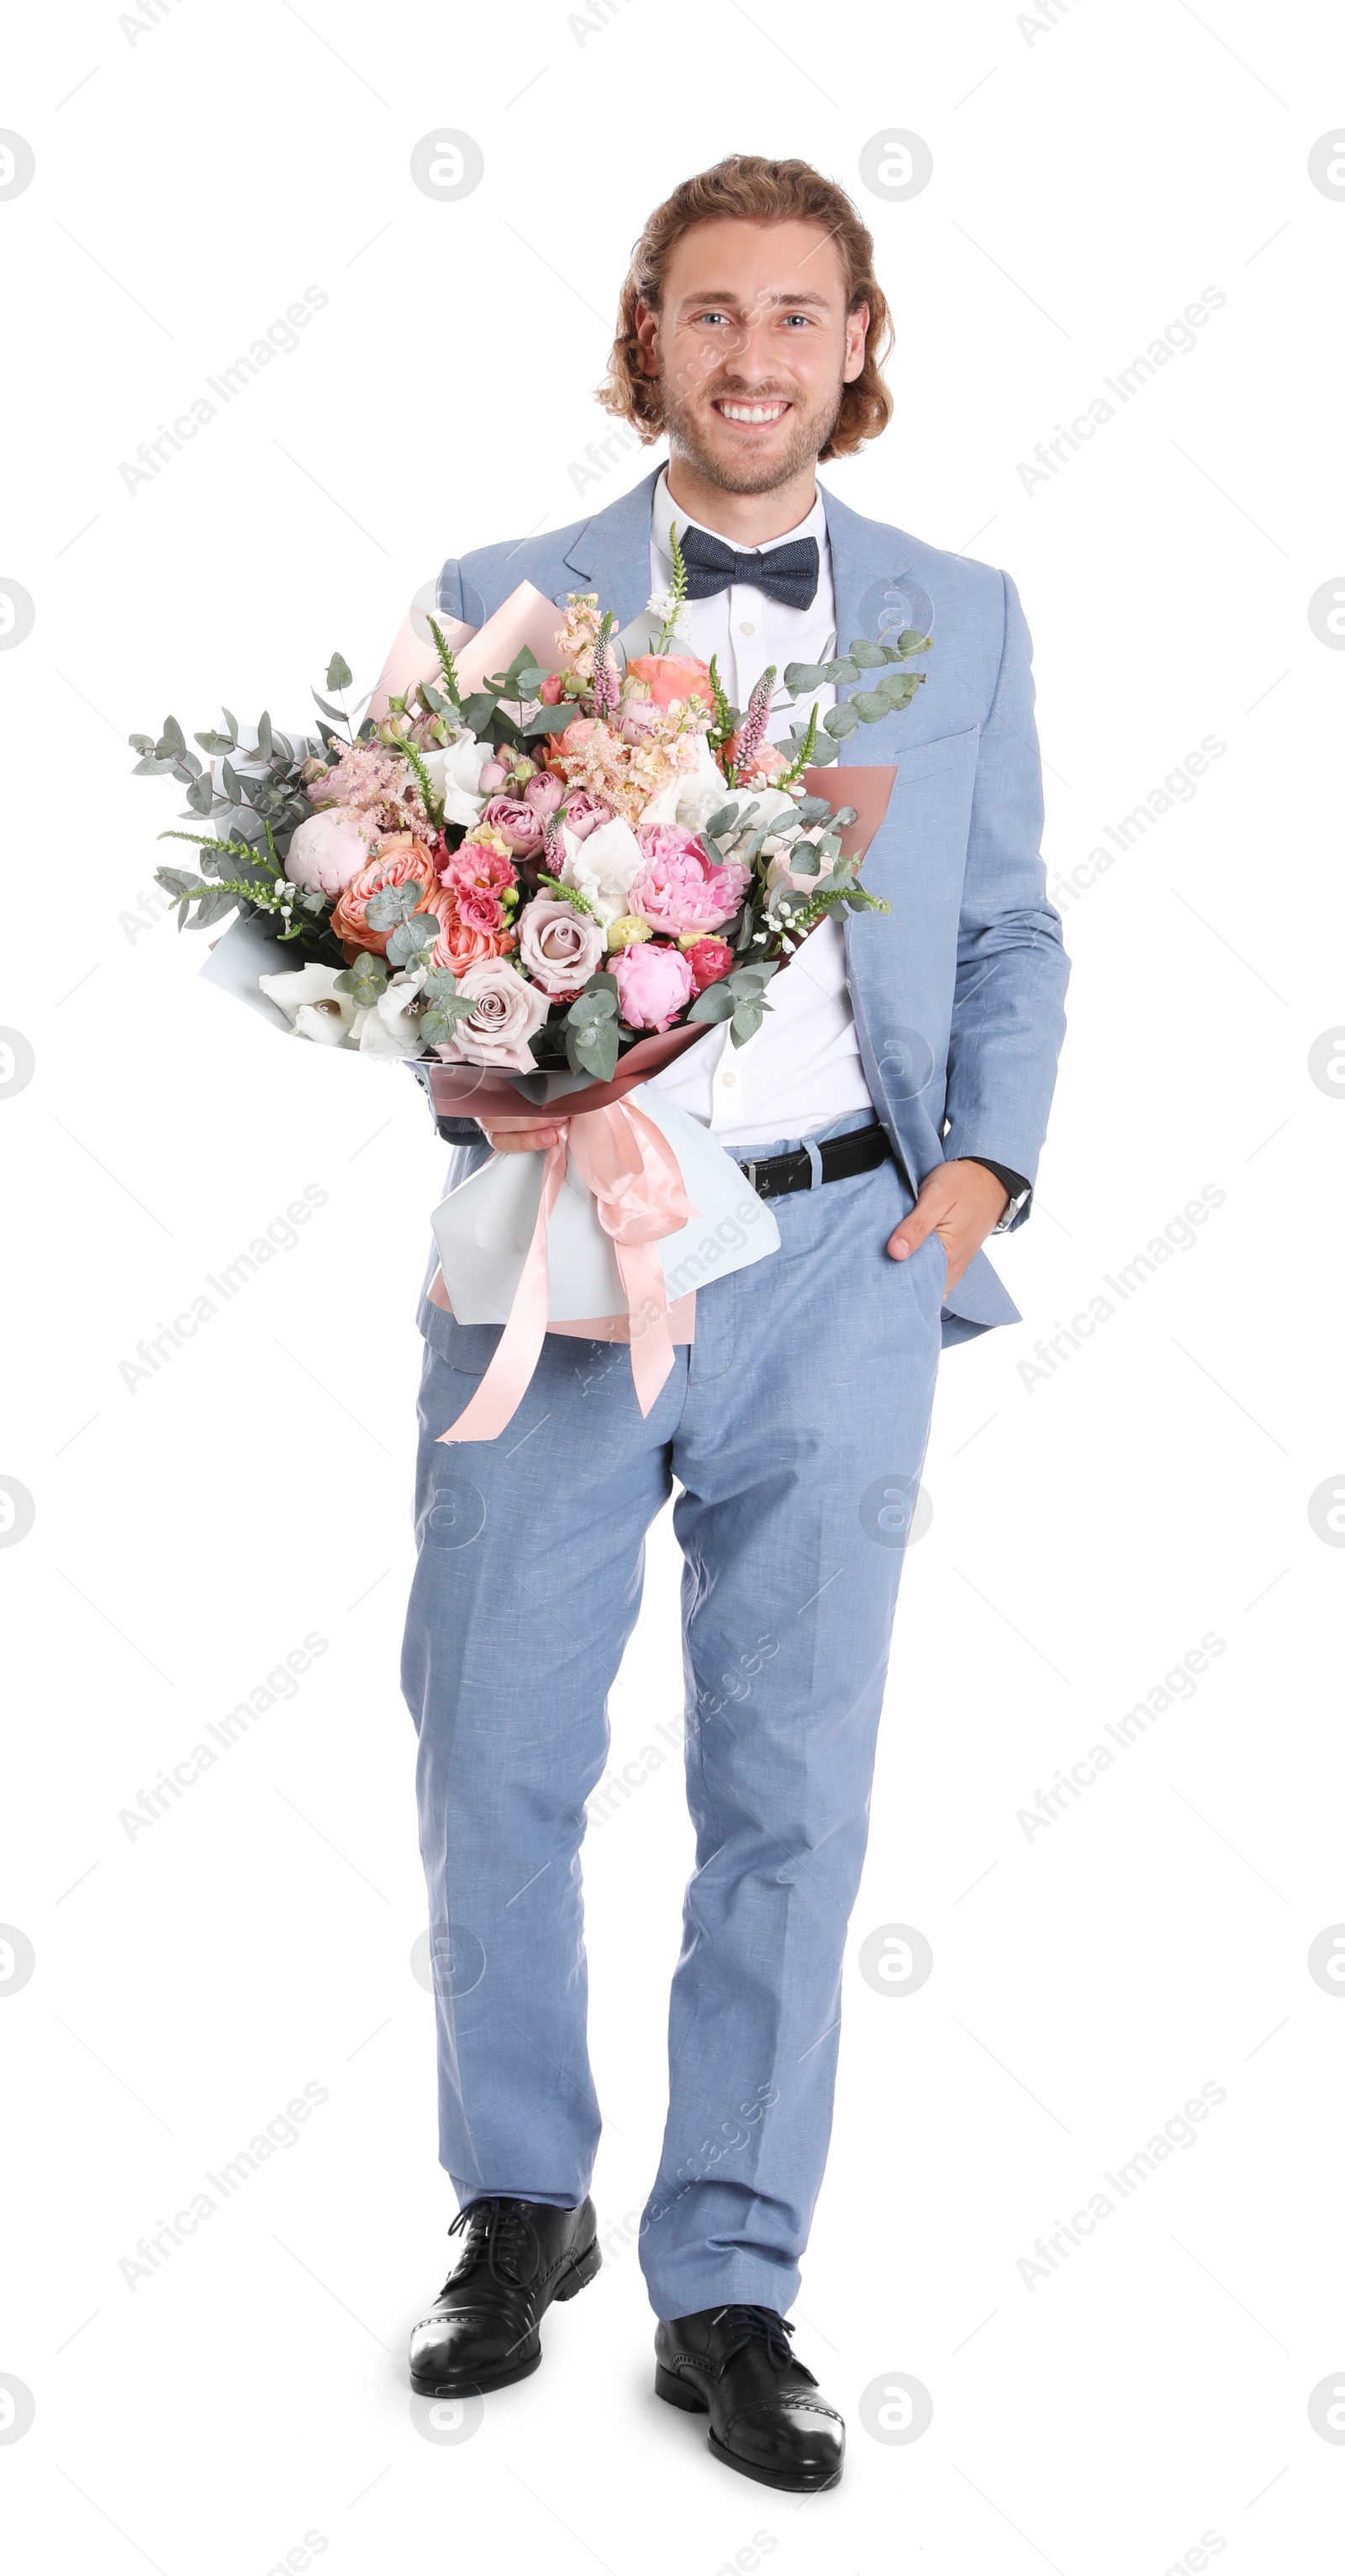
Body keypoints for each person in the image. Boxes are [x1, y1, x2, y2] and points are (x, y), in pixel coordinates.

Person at [401, 153, 1068, 2494]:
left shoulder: (962, 615)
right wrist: (495, 1070)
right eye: (713, 315)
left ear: (861, 341)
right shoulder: (506, 603)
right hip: (567, 1257)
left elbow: (1007, 932)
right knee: (493, 1738)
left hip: (845, 1268)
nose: (757, 358)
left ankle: (734, 2273)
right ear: (648, 333)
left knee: (788, 1788)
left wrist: (980, 1170)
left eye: (801, 315)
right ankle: (519, 2200)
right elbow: (411, 925)